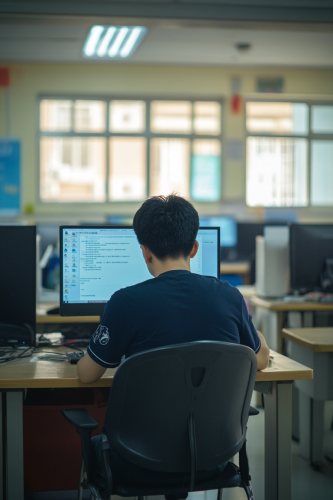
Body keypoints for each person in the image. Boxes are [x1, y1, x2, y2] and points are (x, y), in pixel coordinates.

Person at [77, 194, 269, 485]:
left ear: (145, 252)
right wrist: (257, 334)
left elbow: (88, 374)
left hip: (135, 460)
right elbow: (260, 359)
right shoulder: (230, 297)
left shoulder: (124, 303)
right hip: (214, 459)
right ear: (194, 248)